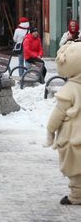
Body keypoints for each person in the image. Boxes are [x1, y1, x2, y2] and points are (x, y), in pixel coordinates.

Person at [46, 41, 81, 205]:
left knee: (76, 171)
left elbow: (58, 113)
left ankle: (77, 195)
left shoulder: (70, 89)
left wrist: (50, 131)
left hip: (74, 138)